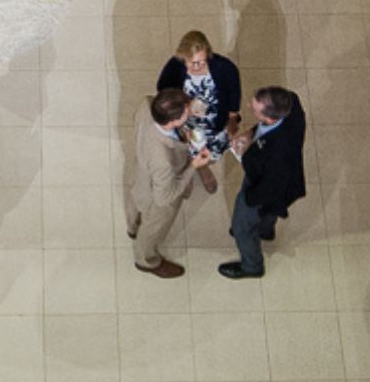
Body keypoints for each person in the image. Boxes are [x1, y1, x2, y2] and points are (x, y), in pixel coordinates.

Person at [129, 89, 219, 278]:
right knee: (153, 226)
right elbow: (165, 197)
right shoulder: (163, 160)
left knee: (138, 199)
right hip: (159, 190)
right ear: (173, 121)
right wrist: (193, 165)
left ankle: (133, 226)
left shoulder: (147, 105)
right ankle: (146, 260)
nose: (190, 112)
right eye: (186, 112)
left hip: (143, 172)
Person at [220, 86, 308, 280]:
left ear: (270, 118)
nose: (250, 104)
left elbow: (268, 189)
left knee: (242, 227)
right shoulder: (291, 103)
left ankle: (252, 266)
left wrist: (249, 201)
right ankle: (265, 230)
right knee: (269, 212)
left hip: (264, 188)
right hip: (280, 184)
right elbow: (264, 130)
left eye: (255, 108)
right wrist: (250, 134)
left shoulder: (279, 153)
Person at [153, 31, 242, 191]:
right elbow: (163, 92)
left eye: (202, 61)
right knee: (183, 150)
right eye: (192, 62)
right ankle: (187, 171)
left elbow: (234, 98)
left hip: (214, 121)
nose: (197, 67)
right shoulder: (174, 66)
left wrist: (232, 121)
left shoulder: (225, 68)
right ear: (183, 58)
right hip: (185, 122)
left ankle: (202, 167)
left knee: (209, 150)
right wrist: (184, 105)